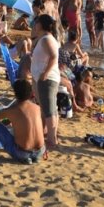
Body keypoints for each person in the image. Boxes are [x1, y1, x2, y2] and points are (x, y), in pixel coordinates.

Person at [0, 80, 45, 163]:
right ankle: (34, 157)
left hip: (22, 153)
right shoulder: (37, 108)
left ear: (15, 94)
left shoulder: (12, 110)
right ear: (31, 93)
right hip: (40, 151)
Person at [31, 14, 61, 149]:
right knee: (46, 108)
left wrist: (45, 73)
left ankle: (51, 139)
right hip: (43, 78)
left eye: (36, 23)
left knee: (49, 110)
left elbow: (54, 57)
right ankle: (45, 134)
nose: (35, 25)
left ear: (42, 24)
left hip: (47, 79)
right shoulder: (43, 39)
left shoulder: (46, 39)